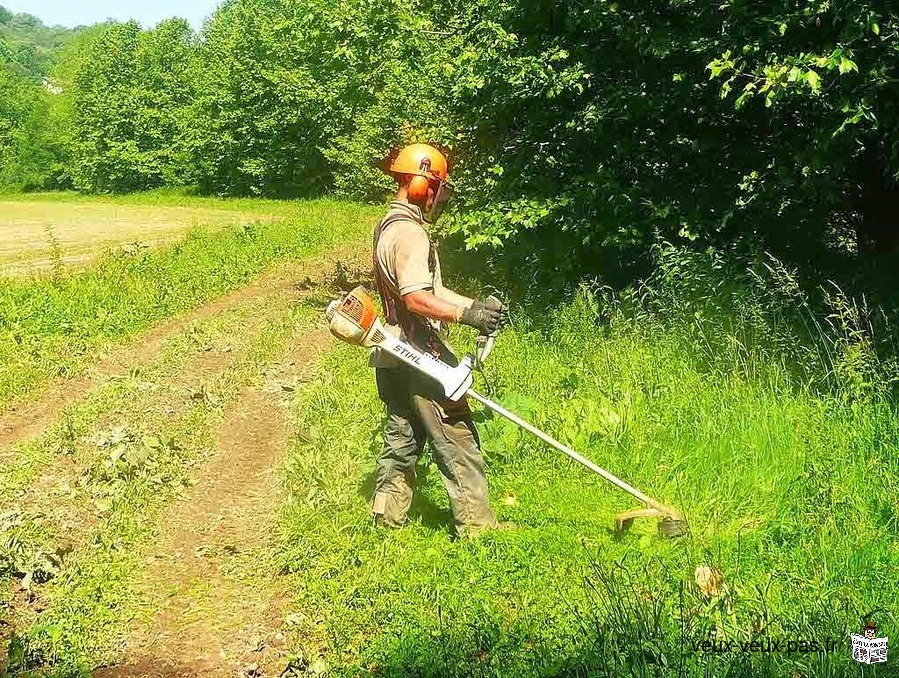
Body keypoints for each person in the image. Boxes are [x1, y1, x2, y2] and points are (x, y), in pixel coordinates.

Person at [370, 143, 506, 537]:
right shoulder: (411, 234)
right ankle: (478, 528)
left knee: (402, 437)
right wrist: (466, 315)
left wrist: (476, 308)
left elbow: (430, 291)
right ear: (420, 186)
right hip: (422, 356)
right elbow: (416, 298)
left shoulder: (388, 227)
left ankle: (386, 518)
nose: (438, 200)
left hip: (391, 355)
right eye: (437, 190)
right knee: (457, 436)